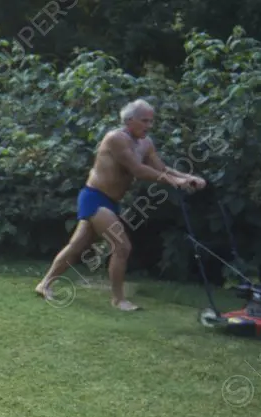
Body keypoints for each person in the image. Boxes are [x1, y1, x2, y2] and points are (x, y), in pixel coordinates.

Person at [35, 99, 207, 311]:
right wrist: (176, 182)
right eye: (145, 121)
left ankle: (44, 284)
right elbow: (138, 170)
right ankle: (118, 300)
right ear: (129, 120)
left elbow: (161, 167)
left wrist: (187, 177)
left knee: (76, 246)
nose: (149, 125)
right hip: (94, 197)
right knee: (122, 246)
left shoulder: (146, 143)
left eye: (151, 121)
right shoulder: (116, 138)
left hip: (111, 202)